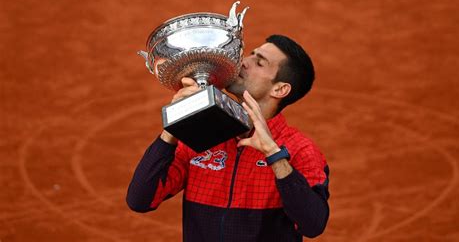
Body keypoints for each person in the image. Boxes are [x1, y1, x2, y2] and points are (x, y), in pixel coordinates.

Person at [126, 34, 330, 242]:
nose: (242, 61)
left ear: (280, 89)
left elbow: (313, 224)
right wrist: (176, 125)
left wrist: (274, 155)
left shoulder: (300, 150)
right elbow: (140, 200)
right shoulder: (201, 135)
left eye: (259, 62)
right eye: (250, 54)